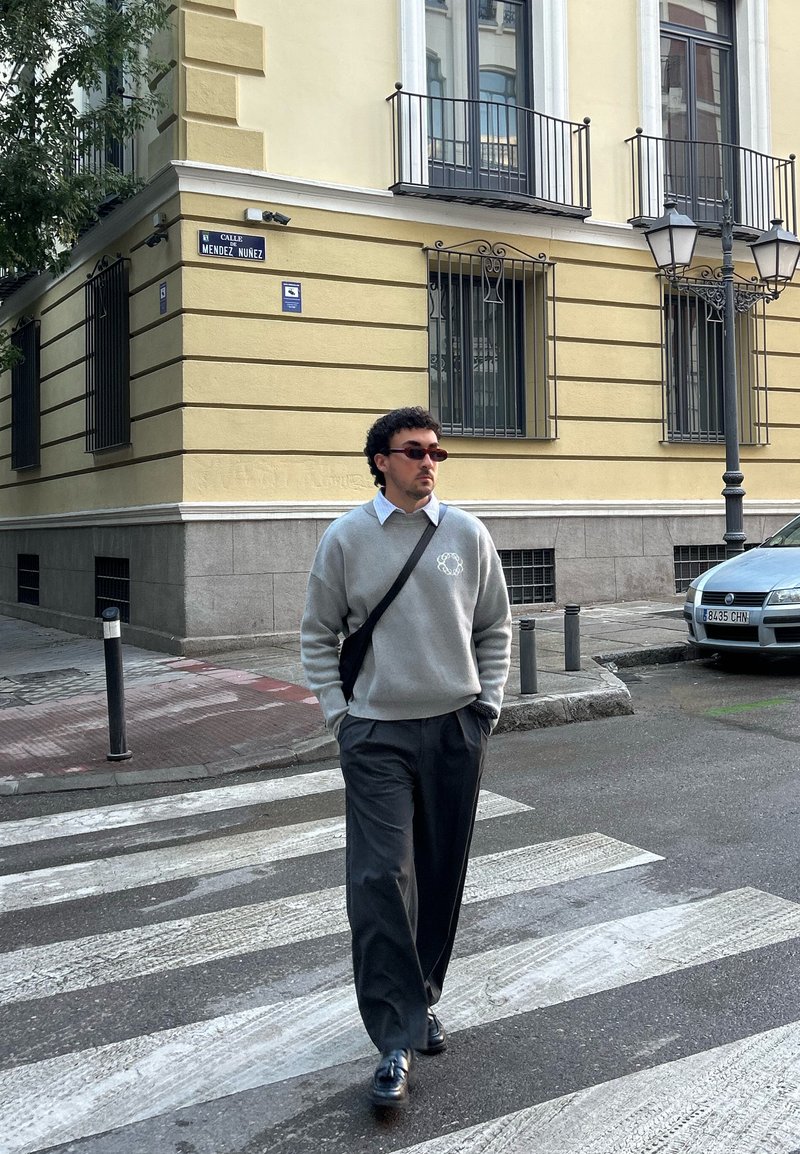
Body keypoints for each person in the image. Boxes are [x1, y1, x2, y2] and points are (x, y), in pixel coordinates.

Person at [300, 406, 512, 1108]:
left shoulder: (467, 534)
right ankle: (393, 1038)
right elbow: (316, 637)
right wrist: (342, 719)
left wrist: (488, 707)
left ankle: (420, 996)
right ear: (381, 461)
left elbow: (495, 626)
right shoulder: (345, 539)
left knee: (441, 872)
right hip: (377, 736)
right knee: (380, 877)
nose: (429, 461)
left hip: (455, 727)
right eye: (415, 451)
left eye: (436, 452)